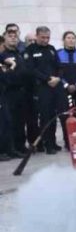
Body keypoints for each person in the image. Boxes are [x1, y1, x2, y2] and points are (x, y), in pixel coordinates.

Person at [23, 26, 62, 154]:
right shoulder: (29, 50)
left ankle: (53, 141)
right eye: (43, 37)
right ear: (37, 36)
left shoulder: (51, 49)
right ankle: (47, 144)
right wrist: (47, 79)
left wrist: (57, 77)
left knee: (53, 116)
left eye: (48, 37)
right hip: (41, 88)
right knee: (45, 116)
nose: (46, 40)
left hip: (54, 86)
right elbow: (31, 70)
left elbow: (59, 65)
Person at [56, 31, 76, 148]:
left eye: (73, 38)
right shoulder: (58, 54)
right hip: (63, 91)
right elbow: (57, 73)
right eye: (68, 38)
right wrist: (66, 85)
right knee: (65, 116)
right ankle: (68, 142)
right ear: (64, 40)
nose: (71, 40)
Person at [1, 27, 28, 159]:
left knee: (19, 121)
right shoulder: (2, 56)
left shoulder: (20, 54)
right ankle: (9, 149)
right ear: (4, 38)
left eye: (15, 36)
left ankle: (19, 146)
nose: (13, 38)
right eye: (10, 36)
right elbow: (6, 76)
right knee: (8, 122)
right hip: (8, 92)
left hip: (22, 92)